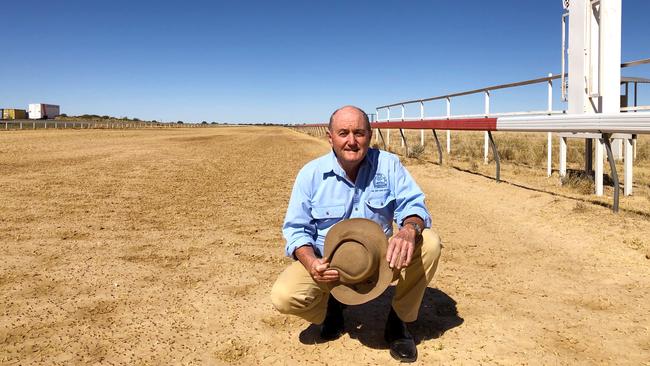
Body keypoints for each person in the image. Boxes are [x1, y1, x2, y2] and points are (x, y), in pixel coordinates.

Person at [271, 105, 442, 362]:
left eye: (359, 133)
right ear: (330, 137)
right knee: (285, 296)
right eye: (343, 133)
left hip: (380, 262)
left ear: (370, 135)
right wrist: (311, 262)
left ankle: (398, 323)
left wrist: (409, 229)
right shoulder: (311, 175)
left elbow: (414, 205)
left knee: (429, 241)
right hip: (329, 267)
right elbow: (296, 229)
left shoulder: (388, 165)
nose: (352, 141)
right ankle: (332, 310)